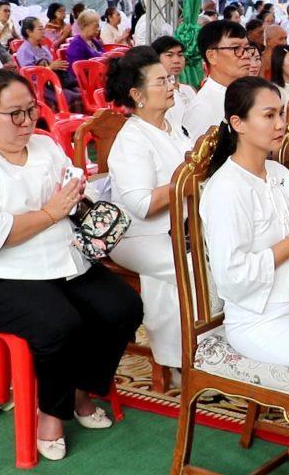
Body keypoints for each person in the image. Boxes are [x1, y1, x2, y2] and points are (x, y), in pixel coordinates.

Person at [0, 69, 142, 461]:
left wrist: (76, 193)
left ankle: (82, 389)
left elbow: (70, 178)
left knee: (122, 306)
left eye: (31, 110)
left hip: (55, 259)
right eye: (15, 114)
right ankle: (51, 412)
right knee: (59, 324)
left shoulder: (43, 146)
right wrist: (50, 211)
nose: (28, 122)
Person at [201, 76, 289, 368]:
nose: (280, 124)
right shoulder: (227, 188)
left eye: (280, 114)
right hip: (258, 320)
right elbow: (231, 278)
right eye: (268, 116)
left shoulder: (280, 174)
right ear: (238, 123)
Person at [104, 47, 192, 371]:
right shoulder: (132, 140)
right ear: (137, 94)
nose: (171, 85)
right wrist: (187, 177)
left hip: (180, 226)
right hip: (137, 236)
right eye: (161, 81)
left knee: (228, 253)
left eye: (170, 78)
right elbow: (142, 205)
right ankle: (180, 360)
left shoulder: (172, 126)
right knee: (191, 270)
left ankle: (199, 348)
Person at [184, 20, 251, 140]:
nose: (245, 55)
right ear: (211, 56)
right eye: (236, 48)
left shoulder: (246, 93)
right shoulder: (203, 108)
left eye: (246, 48)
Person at [15, 16, 82, 111]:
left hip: (52, 83)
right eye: (40, 29)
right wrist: (50, 68)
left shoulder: (43, 47)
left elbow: (51, 64)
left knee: (80, 92)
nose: (43, 31)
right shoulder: (24, 50)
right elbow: (30, 76)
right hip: (40, 88)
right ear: (29, 32)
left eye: (43, 28)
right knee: (72, 96)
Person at [150, 35, 196, 129]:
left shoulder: (189, 90)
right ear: (156, 58)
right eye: (169, 55)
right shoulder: (156, 93)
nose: (176, 60)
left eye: (180, 55)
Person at [64, 9, 104, 79]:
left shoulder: (93, 41)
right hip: (85, 82)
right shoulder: (76, 45)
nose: (98, 29)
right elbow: (77, 71)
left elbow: (103, 55)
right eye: (96, 26)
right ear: (85, 26)